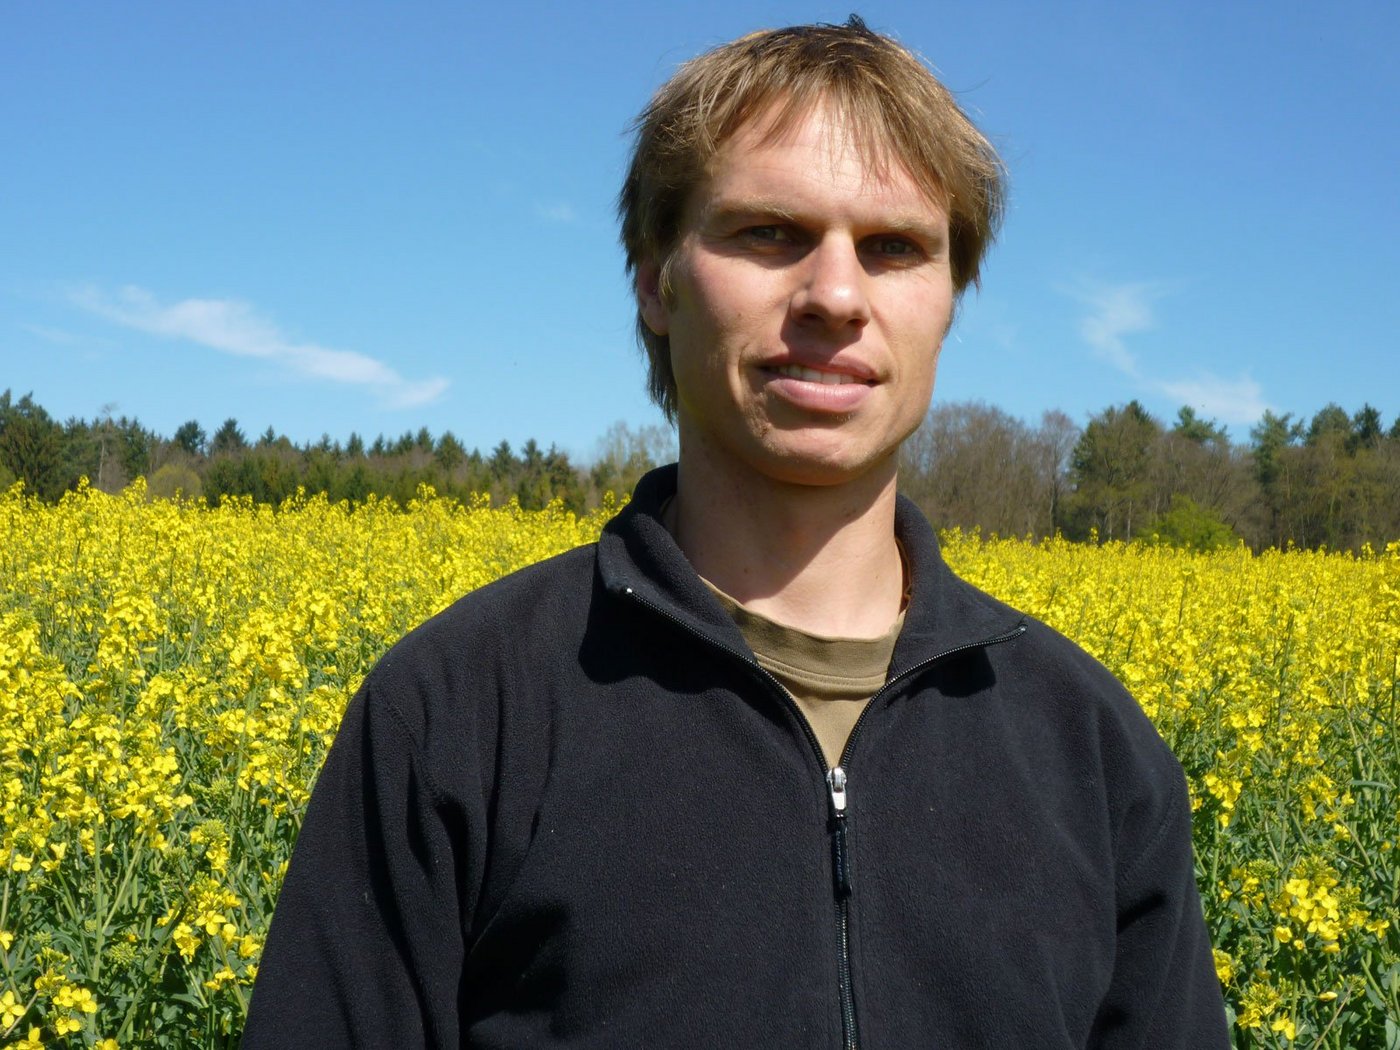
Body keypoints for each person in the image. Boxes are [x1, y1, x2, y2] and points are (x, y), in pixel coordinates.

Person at [242, 17, 1230, 1048]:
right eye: (768, 232)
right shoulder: (455, 714)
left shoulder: (1090, 749)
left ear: (948, 301)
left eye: (893, 248)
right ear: (653, 281)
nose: (835, 296)